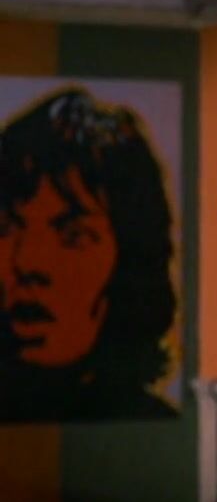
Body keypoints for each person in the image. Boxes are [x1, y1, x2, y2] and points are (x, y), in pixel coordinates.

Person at [0, 87, 178, 422]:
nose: (27, 262)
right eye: (7, 228)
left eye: (73, 236)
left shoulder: (147, 422)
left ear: (131, 260)